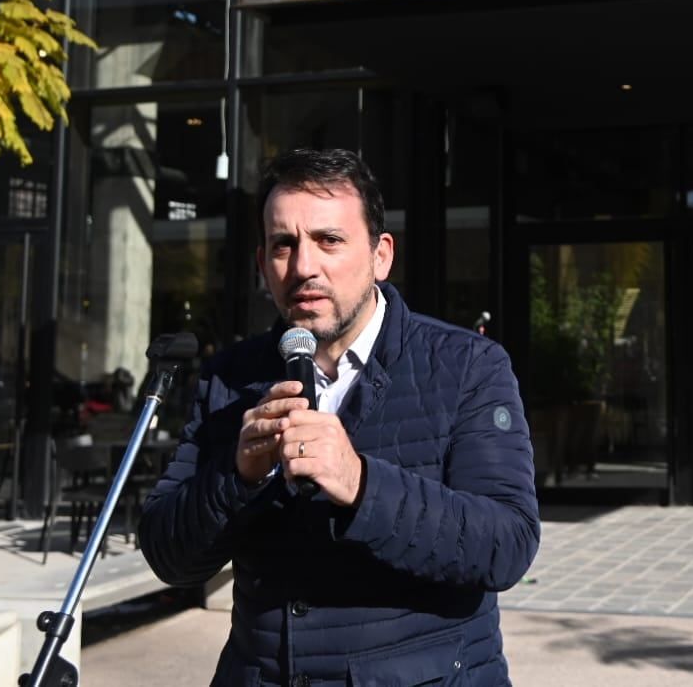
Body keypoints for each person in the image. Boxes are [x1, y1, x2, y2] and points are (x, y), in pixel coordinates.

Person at [139, 148, 539, 686]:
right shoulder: (229, 379)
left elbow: (506, 545)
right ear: (262, 265)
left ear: (380, 255)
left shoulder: (468, 366)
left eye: (329, 240)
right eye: (284, 244)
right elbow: (169, 555)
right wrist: (235, 479)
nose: (304, 266)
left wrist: (361, 483)